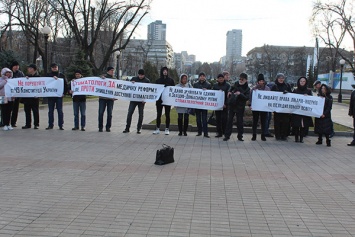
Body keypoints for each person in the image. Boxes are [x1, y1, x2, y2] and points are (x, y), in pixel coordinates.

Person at [223, 73, 250, 141]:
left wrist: (240, 94)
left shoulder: (247, 88)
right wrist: (229, 92)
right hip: (232, 104)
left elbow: (247, 97)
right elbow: (230, 89)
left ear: (246, 80)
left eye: (242, 79)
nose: (240, 80)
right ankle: (227, 135)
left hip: (240, 106)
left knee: (239, 121)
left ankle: (240, 136)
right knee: (229, 121)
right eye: (240, 79)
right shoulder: (235, 84)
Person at [123, 69, 150, 134]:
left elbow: (148, 91)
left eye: (142, 75)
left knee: (140, 114)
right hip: (133, 99)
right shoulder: (134, 79)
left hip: (141, 100)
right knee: (130, 113)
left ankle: (139, 128)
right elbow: (129, 87)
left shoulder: (147, 81)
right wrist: (131, 83)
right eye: (139, 75)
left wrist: (145, 99)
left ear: (144, 75)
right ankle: (127, 128)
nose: (140, 76)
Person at [153, 66, 175, 135]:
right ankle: (157, 128)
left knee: (167, 114)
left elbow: (173, 89)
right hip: (159, 100)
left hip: (167, 100)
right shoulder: (158, 80)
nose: (165, 72)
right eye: (164, 71)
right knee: (158, 114)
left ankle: (167, 128)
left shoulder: (171, 80)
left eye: (166, 71)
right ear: (162, 72)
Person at [291, 77, 314, 143]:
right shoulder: (295, 90)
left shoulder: (308, 91)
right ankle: (296, 137)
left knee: (303, 125)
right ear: (299, 82)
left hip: (304, 111)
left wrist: (308, 97)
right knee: (296, 125)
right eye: (301, 81)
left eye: (304, 81)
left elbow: (312, 101)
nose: (302, 82)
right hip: (296, 111)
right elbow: (292, 100)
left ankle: (301, 138)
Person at [46, 63, 68, 130]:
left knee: (60, 110)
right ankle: (50, 125)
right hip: (51, 96)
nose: (54, 68)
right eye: (53, 67)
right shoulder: (48, 76)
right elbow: (45, 84)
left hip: (59, 96)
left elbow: (65, 85)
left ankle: (61, 125)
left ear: (58, 67)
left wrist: (64, 93)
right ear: (51, 68)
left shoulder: (61, 75)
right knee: (50, 111)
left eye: (55, 67)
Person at [271, 73, 292, 141]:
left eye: (282, 78)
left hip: (285, 107)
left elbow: (291, 95)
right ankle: (277, 135)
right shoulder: (274, 86)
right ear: (277, 79)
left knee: (285, 122)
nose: (281, 79)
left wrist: (287, 93)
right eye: (279, 78)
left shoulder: (287, 85)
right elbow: (271, 96)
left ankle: (284, 135)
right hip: (277, 107)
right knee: (277, 122)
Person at [250, 74, 269, 141]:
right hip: (256, 107)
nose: (261, 82)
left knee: (263, 122)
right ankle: (254, 135)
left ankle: (263, 135)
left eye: (262, 81)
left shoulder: (267, 89)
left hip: (264, 108)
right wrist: (251, 105)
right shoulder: (254, 89)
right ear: (258, 82)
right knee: (255, 121)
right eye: (260, 81)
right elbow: (251, 98)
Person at [22, 64, 40, 129]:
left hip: (34, 97)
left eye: (29, 68)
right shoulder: (27, 77)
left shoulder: (38, 77)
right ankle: (28, 124)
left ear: (33, 69)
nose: (28, 69)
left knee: (35, 111)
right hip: (27, 97)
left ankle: (36, 124)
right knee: (27, 110)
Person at [193, 72, 211, 138]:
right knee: (198, 119)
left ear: (205, 77)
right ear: (199, 77)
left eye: (203, 76)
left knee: (204, 119)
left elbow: (211, 94)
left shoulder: (208, 84)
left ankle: (205, 133)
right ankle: (199, 132)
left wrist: (207, 90)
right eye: (201, 76)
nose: (202, 77)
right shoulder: (195, 84)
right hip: (197, 105)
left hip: (204, 105)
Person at [98, 66, 116, 132]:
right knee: (101, 113)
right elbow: (97, 80)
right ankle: (100, 127)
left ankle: (108, 127)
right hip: (102, 98)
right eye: (111, 70)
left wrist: (115, 96)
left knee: (110, 114)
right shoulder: (103, 77)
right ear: (108, 71)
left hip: (110, 99)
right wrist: (101, 78)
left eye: (113, 70)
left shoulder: (114, 79)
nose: (112, 72)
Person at [213, 73, 230, 137]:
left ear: (224, 78)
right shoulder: (215, 86)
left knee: (224, 119)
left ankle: (225, 132)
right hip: (217, 105)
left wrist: (226, 103)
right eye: (219, 78)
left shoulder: (227, 86)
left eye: (222, 78)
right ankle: (219, 132)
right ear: (217, 79)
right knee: (218, 119)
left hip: (224, 105)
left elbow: (229, 96)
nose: (221, 79)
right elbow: (213, 94)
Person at [10, 61, 25, 127]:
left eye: (17, 66)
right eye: (15, 66)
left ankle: (13, 122)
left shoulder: (20, 73)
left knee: (15, 109)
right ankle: (5, 121)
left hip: (17, 93)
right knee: (7, 108)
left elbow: (24, 81)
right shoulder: (9, 73)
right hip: (10, 94)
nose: (16, 67)